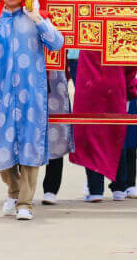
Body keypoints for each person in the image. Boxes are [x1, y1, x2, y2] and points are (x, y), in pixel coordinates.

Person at [0, 0, 64, 221]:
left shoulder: (34, 17)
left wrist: (39, 19)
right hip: (3, 97)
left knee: (30, 147)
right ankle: (13, 191)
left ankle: (25, 202)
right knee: (3, 148)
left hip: (32, 96)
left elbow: (57, 43)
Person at [70, 51, 137, 202]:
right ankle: (119, 187)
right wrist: (130, 89)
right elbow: (132, 62)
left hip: (89, 83)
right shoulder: (120, 28)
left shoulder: (85, 28)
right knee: (116, 134)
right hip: (115, 82)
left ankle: (96, 189)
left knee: (91, 134)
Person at [41, 68, 75, 205]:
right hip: (26, 74)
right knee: (25, 134)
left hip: (54, 78)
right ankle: (21, 188)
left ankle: (51, 188)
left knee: (56, 133)